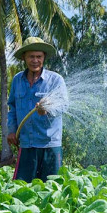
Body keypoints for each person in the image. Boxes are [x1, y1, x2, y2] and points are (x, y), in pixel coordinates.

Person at [7, 37, 65, 182]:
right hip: (27, 143)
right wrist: (12, 130)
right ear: (24, 58)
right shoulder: (17, 80)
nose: (35, 60)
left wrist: (48, 109)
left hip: (50, 144)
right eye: (31, 56)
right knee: (21, 188)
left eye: (38, 56)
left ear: (44, 57)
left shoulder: (55, 80)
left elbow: (63, 105)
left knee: (52, 190)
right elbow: (12, 107)